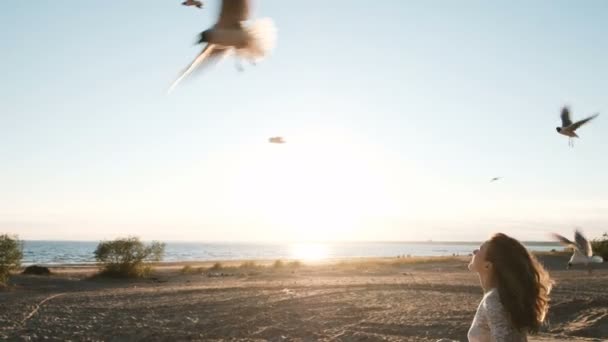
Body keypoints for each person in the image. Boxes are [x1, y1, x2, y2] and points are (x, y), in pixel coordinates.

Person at [467, 233, 554, 341]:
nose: (474, 252)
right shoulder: (498, 296)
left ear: (487, 265)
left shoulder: (494, 300)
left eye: (480, 249)